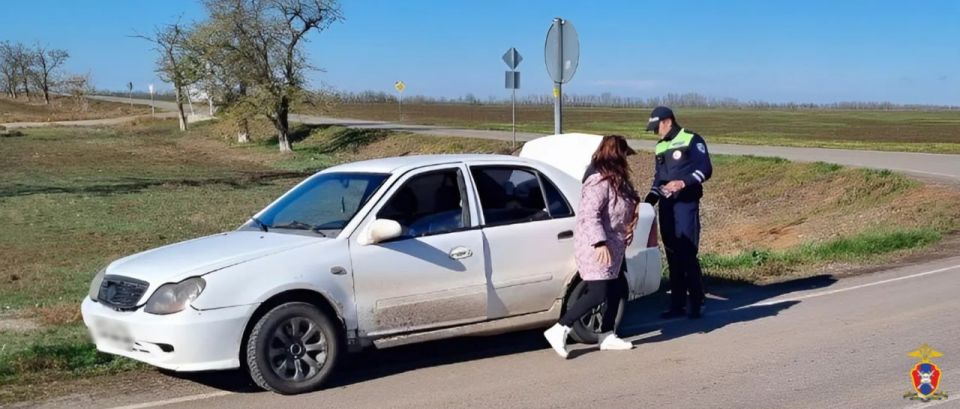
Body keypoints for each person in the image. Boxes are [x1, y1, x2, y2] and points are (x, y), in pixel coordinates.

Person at [543, 135, 640, 358]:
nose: (627, 159)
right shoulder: (598, 180)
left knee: (615, 290)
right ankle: (560, 329)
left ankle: (607, 335)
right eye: (625, 154)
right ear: (617, 154)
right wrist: (599, 242)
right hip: (596, 246)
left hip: (614, 246)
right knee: (598, 293)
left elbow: (622, 208)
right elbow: (589, 214)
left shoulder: (617, 179)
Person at [643, 106, 713, 319]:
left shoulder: (691, 139)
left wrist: (683, 182)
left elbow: (705, 169)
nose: (656, 132)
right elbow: (659, 178)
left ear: (667, 121)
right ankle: (677, 304)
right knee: (672, 253)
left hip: (685, 204)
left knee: (687, 252)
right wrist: (647, 202)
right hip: (666, 206)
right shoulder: (660, 146)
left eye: (657, 127)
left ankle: (697, 299)